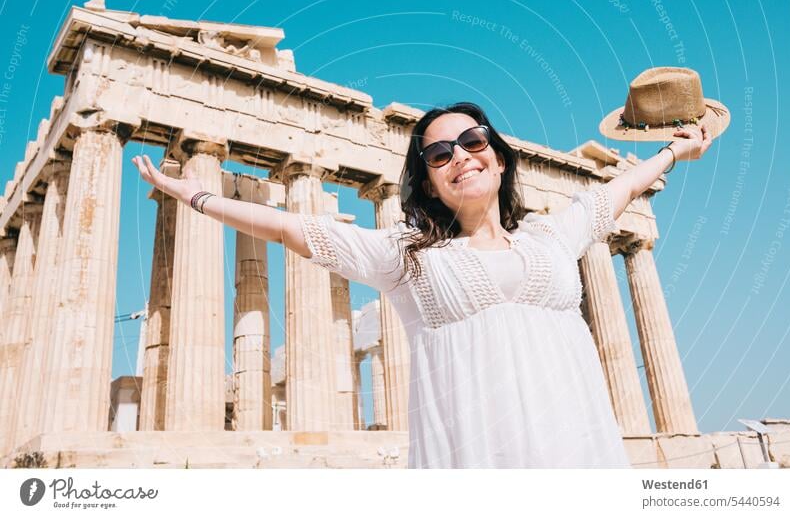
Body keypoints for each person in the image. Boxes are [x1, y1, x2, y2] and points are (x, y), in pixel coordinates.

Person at [132, 101, 713, 469]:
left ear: (500, 158)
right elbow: (293, 229)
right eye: (438, 154)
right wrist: (196, 193)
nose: (459, 155)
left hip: (582, 459)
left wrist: (672, 151)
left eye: (473, 141)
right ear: (430, 183)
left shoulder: (551, 237)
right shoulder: (408, 256)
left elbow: (619, 191)